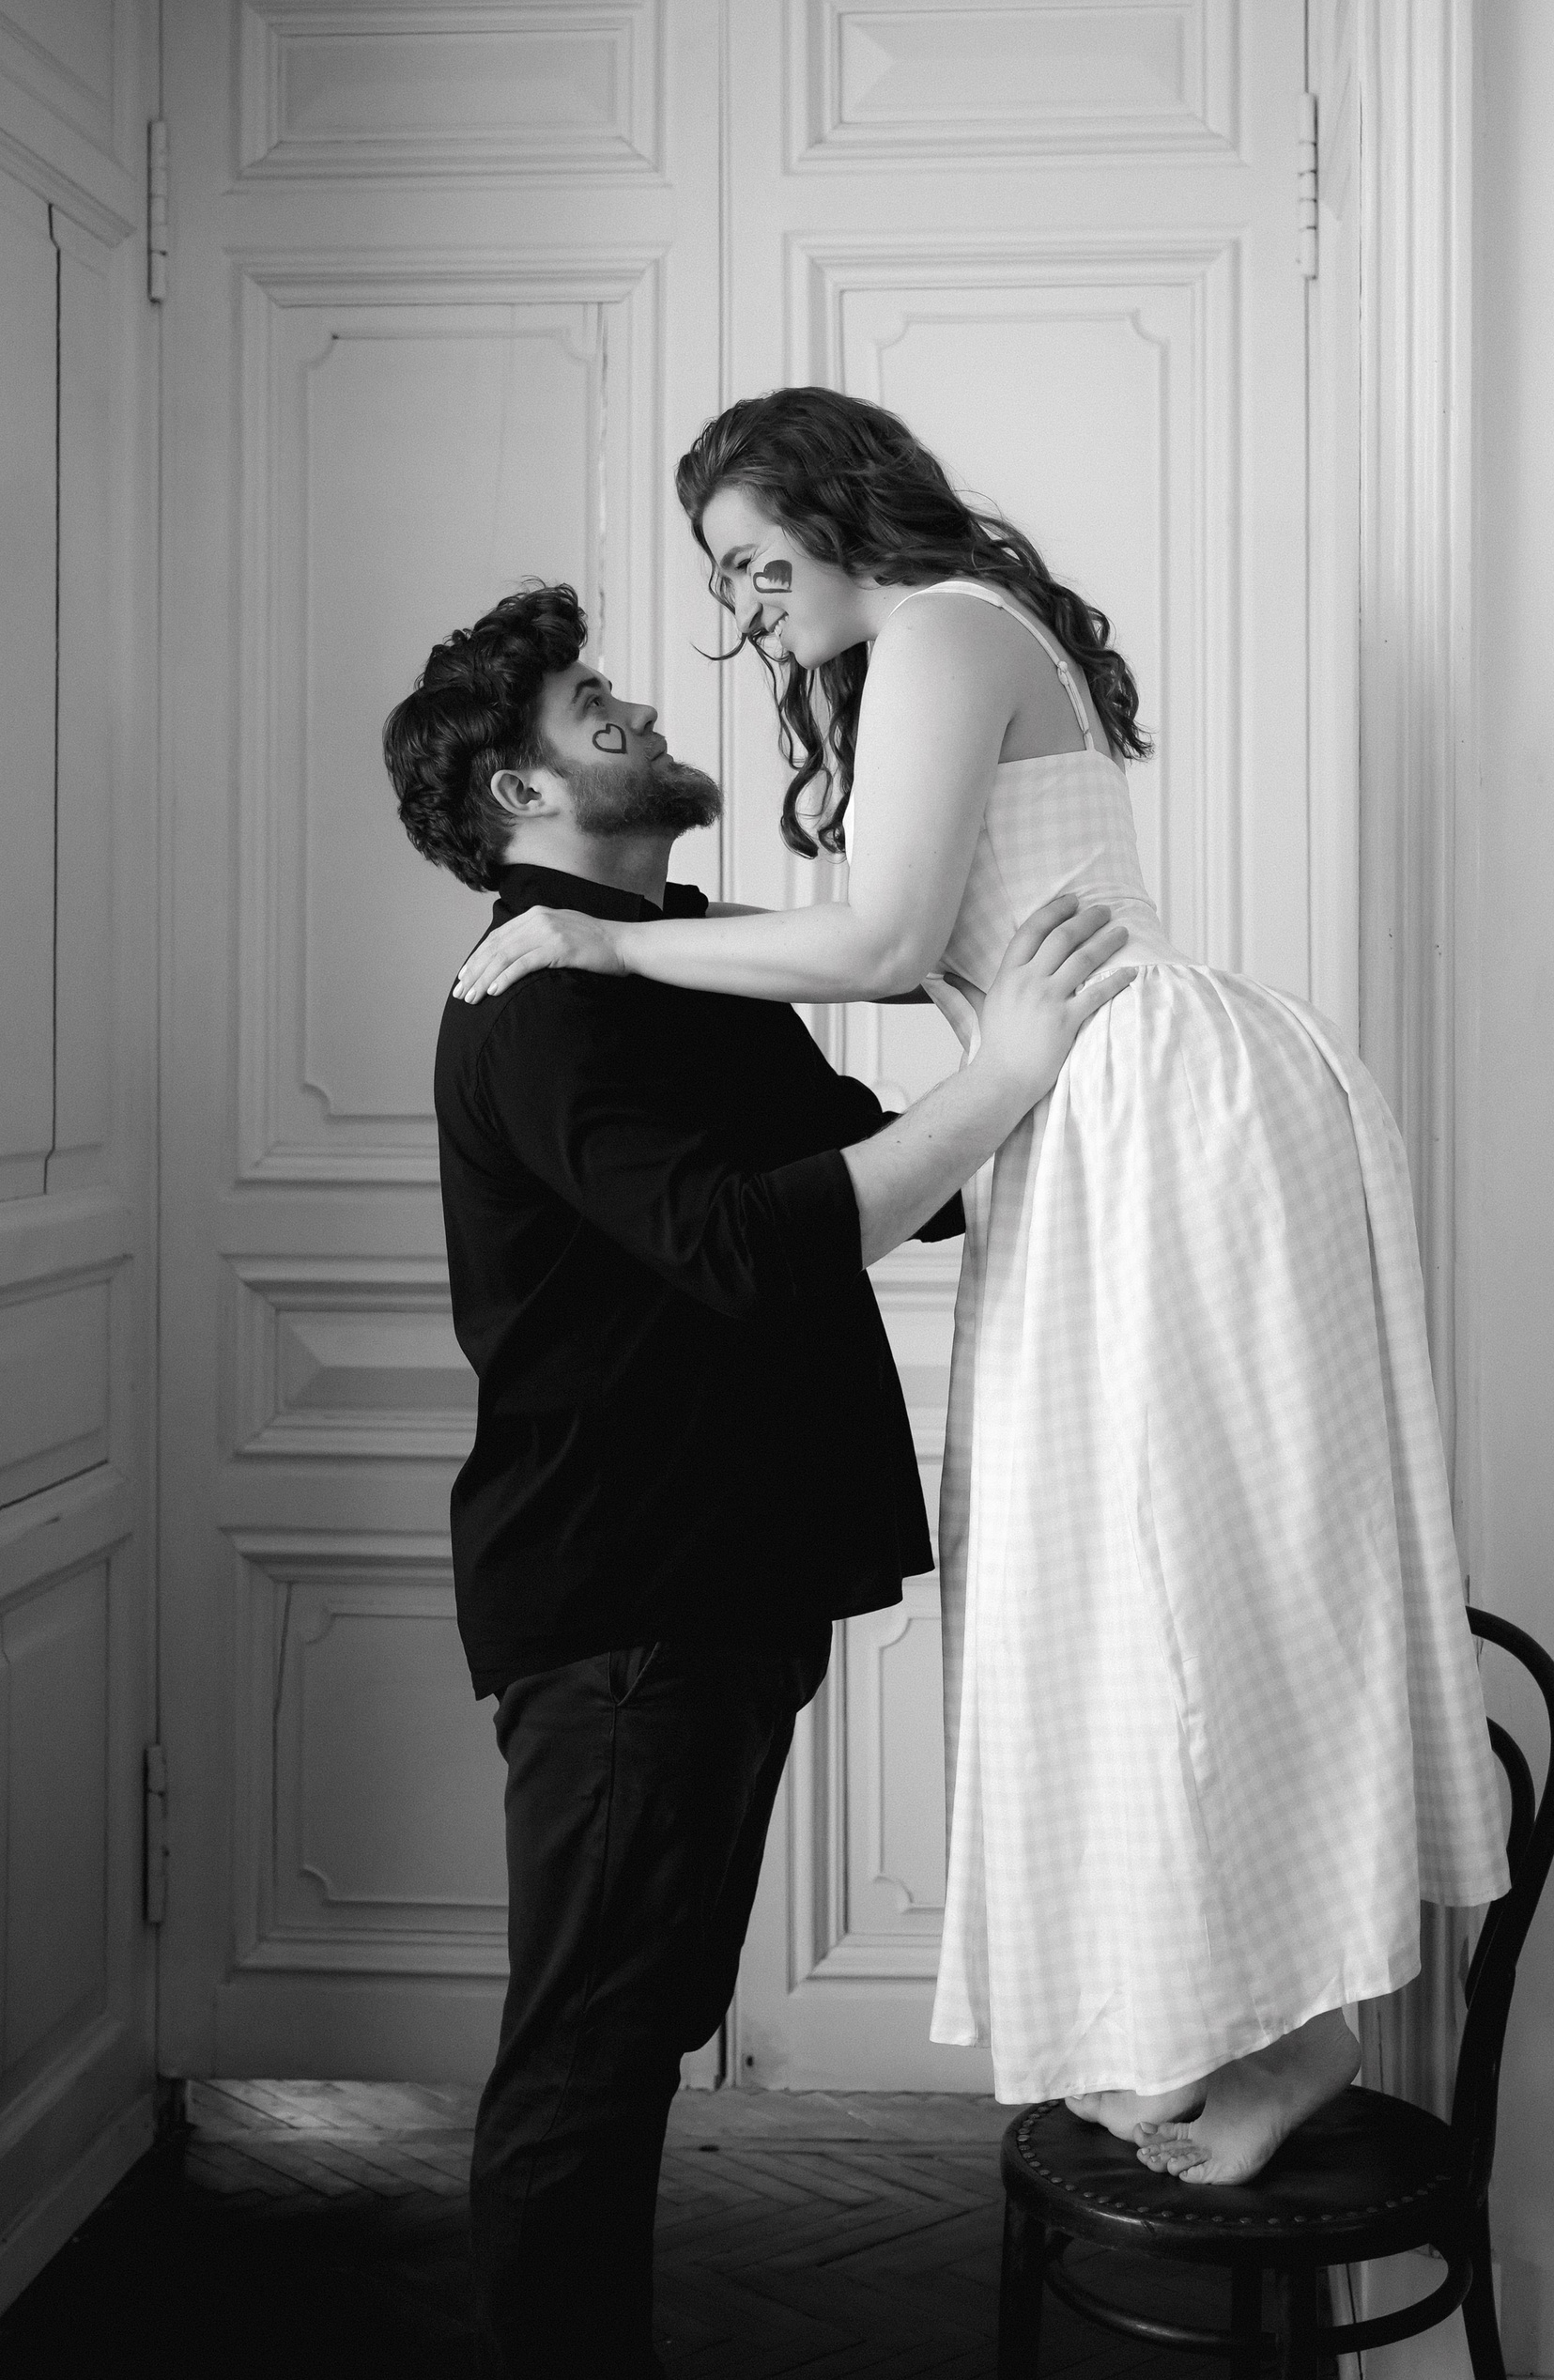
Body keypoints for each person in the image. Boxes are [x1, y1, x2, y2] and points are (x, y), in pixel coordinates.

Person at [450, 390, 1512, 2190]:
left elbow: (879, 945)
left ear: (835, 499)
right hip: (1091, 1111)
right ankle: (1204, 2014)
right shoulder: (921, 652)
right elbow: (871, 1023)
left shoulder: (941, 627)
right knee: (1115, 1572)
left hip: (1142, 1097)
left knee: (1177, 1559)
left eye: (752, 557)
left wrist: (606, 935)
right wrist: (644, 954)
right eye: (723, 577)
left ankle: (1301, 2015)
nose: (742, 608)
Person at [383, 580, 1130, 2377]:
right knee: (586, 2057)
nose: (641, 708)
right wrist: (1007, 1069)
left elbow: (884, 1171)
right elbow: (748, 1241)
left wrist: (1024, 1033)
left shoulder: (666, 961)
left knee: (637, 2028)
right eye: (592, 708)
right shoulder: (536, 1005)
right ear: (521, 793)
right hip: (625, 1608)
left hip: (714, 1590)